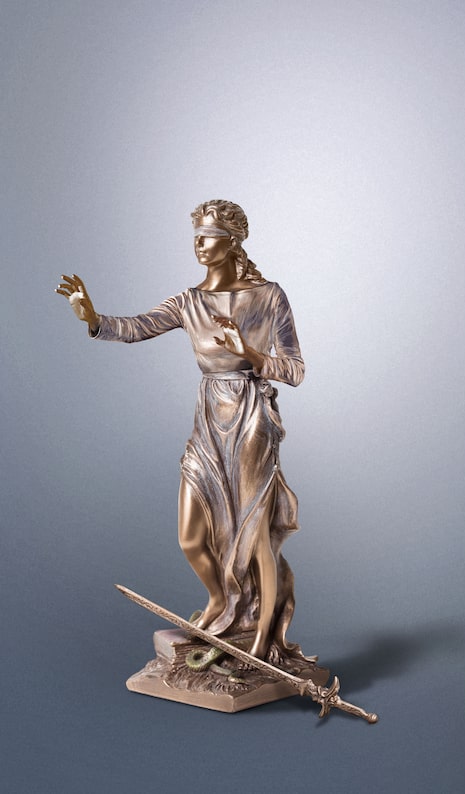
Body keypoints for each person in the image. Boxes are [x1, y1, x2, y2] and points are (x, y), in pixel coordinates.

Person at [56, 200, 305, 662]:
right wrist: (92, 318)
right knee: (191, 536)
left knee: (255, 537)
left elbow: (295, 369)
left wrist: (249, 353)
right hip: (208, 418)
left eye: (208, 237)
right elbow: (137, 327)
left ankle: (260, 638)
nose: (199, 245)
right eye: (196, 237)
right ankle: (220, 603)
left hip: (251, 417)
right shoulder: (189, 301)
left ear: (232, 243)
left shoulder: (269, 296)